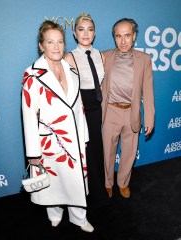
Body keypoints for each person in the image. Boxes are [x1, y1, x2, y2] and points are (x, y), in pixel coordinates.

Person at [21, 19, 94, 232]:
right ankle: (54, 213)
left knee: (76, 181)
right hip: (49, 141)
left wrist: (84, 136)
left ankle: (79, 218)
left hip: (74, 139)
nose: (56, 47)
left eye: (60, 42)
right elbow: (28, 115)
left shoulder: (71, 70)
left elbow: (79, 107)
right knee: (53, 181)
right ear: (41, 46)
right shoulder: (32, 74)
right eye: (50, 42)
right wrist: (33, 152)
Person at [102, 18, 155, 199]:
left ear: (134, 37)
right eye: (118, 36)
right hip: (110, 111)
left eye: (127, 36)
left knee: (129, 152)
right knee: (107, 152)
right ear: (114, 38)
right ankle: (107, 183)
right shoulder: (104, 56)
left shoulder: (144, 59)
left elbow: (147, 91)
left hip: (131, 112)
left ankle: (123, 183)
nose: (123, 41)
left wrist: (149, 118)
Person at [65, 12, 109, 209]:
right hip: (79, 109)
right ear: (75, 33)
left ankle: (98, 192)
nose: (85, 33)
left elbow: (102, 84)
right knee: (82, 152)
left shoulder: (101, 55)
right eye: (81, 29)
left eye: (90, 29)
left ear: (95, 33)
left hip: (96, 107)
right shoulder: (69, 57)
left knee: (96, 150)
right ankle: (80, 196)